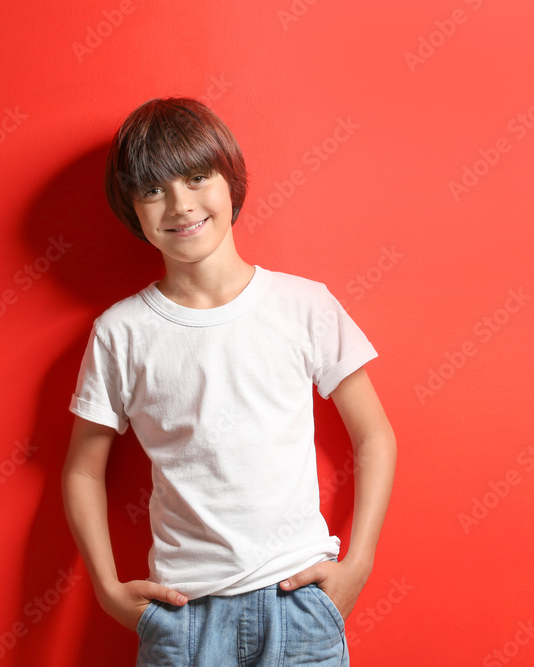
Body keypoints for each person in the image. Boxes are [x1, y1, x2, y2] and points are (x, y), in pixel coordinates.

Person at [61, 96, 396, 666]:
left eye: (197, 178)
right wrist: (108, 589)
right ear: (132, 209)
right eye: (153, 190)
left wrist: (358, 561)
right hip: (184, 616)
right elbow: (82, 469)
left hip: (299, 606)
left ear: (230, 181)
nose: (180, 204)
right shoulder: (121, 332)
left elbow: (375, 437)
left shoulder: (304, 305)